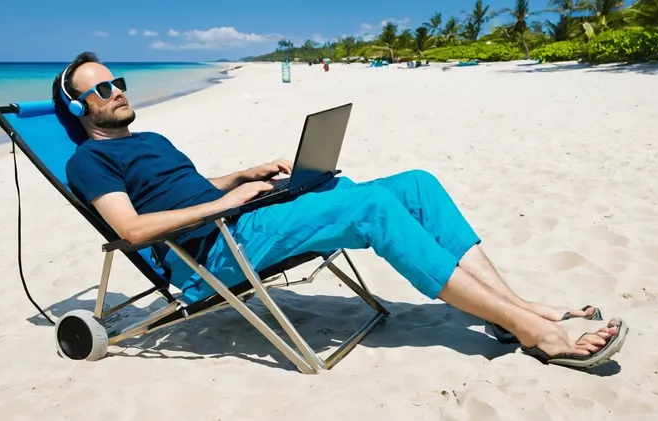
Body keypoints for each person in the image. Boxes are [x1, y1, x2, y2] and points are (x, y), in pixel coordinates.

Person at [55, 52, 628, 370]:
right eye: (102, 89)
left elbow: (190, 186)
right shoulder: (87, 162)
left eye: (118, 81)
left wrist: (244, 174)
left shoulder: (149, 140)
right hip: (213, 251)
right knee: (373, 206)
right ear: (81, 107)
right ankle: (534, 331)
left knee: (417, 185)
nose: (118, 92)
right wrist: (227, 202)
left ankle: (514, 305)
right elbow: (130, 228)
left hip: (240, 218)